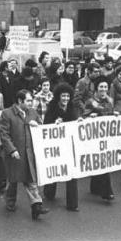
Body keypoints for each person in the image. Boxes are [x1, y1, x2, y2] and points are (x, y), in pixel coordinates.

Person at [0, 89, 49, 220]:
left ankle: (37, 206)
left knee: (30, 180)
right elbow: (4, 134)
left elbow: (42, 127)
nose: (31, 103)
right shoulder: (6, 113)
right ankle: (10, 202)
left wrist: (37, 124)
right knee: (13, 181)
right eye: (28, 101)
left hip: (29, 153)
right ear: (20, 101)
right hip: (15, 154)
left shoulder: (32, 112)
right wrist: (12, 150)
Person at [42, 83, 80, 211]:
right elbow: (45, 125)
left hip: (69, 145)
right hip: (55, 146)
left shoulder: (71, 107)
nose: (65, 99)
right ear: (58, 96)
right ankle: (49, 191)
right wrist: (54, 124)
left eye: (68, 96)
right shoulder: (52, 108)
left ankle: (72, 204)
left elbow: (74, 122)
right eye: (63, 96)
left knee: (72, 174)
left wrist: (80, 121)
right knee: (56, 169)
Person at [83, 76, 117, 202]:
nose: (103, 89)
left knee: (104, 161)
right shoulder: (91, 101)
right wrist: (89, 116)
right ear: (97, 88)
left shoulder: (110, 100)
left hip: (106, 136)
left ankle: (95, 187)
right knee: (101, 161)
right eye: (101, 87)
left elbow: (110, 113)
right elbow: (83, 116)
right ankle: (107, 192)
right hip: (94, 136)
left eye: (105, 87)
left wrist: (114, 115)